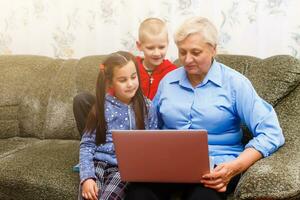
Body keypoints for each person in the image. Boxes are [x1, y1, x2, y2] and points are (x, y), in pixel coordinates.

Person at [125, 16, 285, 200]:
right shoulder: (168, 82)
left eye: (195, 52)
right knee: (137, 193)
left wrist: (236, 166)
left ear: (213, 49)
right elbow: (150, 128)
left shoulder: (234, 84)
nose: (187, 59)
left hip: (216, 167)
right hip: (168, 166)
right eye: (182, 52)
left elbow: (271, 132)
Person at [73, 17, 176, 137]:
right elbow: (113, 93)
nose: (157, 53)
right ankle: (91, 142)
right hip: (120, 114)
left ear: (168, 44)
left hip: (147, 120)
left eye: (161, 47)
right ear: (139, 45)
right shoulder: (129, 65)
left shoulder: (172, 72)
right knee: (82, 99)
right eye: (150, 48)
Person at [79, 51, 157, 200]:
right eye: (123, 80)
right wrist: (87, 178)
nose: (130, 84)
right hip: (97, 163)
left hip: (123, 168)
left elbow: (154, 144)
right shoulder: (101, 107)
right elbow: (87, 144)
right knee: (89, 196)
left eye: (133, 77)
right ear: (110, 82)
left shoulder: (147, 107)